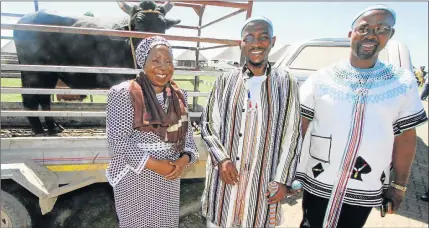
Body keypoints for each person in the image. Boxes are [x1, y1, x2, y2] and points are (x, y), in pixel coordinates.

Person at [295, 5, 428, 228]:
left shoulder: (402, 82)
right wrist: (291, 173)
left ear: (390, 35)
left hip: (364, 184)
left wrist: (399, 185)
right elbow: (300, 127)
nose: (371, 35)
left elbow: (405, 138)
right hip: (319, 179)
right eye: (364, 28)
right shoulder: (321, 78)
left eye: (381, 28)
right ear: (351, 34)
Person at [200, 16, 302, 228]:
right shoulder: (225, 81)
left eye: (263, 37)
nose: (256, 43)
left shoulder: (286, 83)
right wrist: (222, 159)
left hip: (262, 184)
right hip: (225, 183)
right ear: (241, 43)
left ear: (273, 41)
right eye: (249, 38)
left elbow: (292, 134)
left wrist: (283, 180)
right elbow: (209, 124)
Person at [105, 36, 199, 227]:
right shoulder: (124, 93)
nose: (163, 67)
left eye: (168, 61)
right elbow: (118, 142)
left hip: (169, 180)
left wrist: (183, 161)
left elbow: (188, 143)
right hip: (134, 178)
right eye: (155, 61)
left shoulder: (180, 97)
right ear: (143, 62)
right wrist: (156, 165)